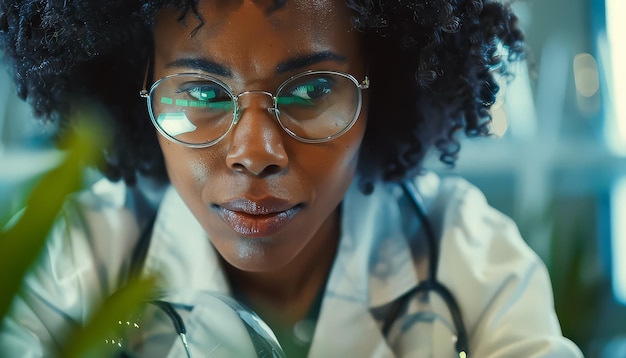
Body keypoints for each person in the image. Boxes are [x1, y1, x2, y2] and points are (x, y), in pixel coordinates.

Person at [0, 0, 583, 357]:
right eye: (202, 93)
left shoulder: (468, 256)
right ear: (139, 89)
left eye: (310, 91)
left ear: (384, 88)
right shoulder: (69, 259)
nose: (255, 154)